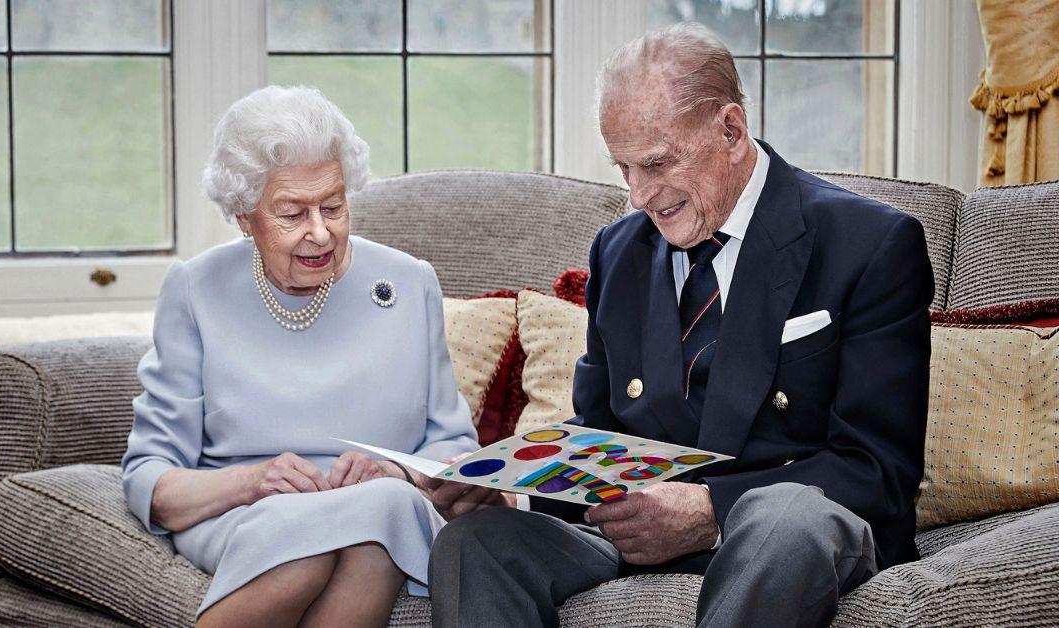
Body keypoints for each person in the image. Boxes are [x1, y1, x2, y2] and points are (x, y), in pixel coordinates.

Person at [426, 22, 933, 628]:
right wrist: (513, 490)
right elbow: (600, 437)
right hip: (638, 540)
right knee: (475, 542)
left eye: (657, 164)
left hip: (791, 536)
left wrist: (710, 508)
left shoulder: (869, 244)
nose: (639, 195)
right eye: (624, 169)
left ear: (731, 131)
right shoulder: (619, 251)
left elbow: (878, 470)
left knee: (784, 521)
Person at [121, 85, 478, 628]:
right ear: (245, 217)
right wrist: (253, 481)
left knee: (379, 517)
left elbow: (452, 448)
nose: (320, 232)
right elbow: (153, 481)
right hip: (244, 511)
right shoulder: (196, 289)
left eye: (333, 206)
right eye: (292, 214)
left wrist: (397, 471)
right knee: (317, 543)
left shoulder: (409, 283)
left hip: (382, 508)